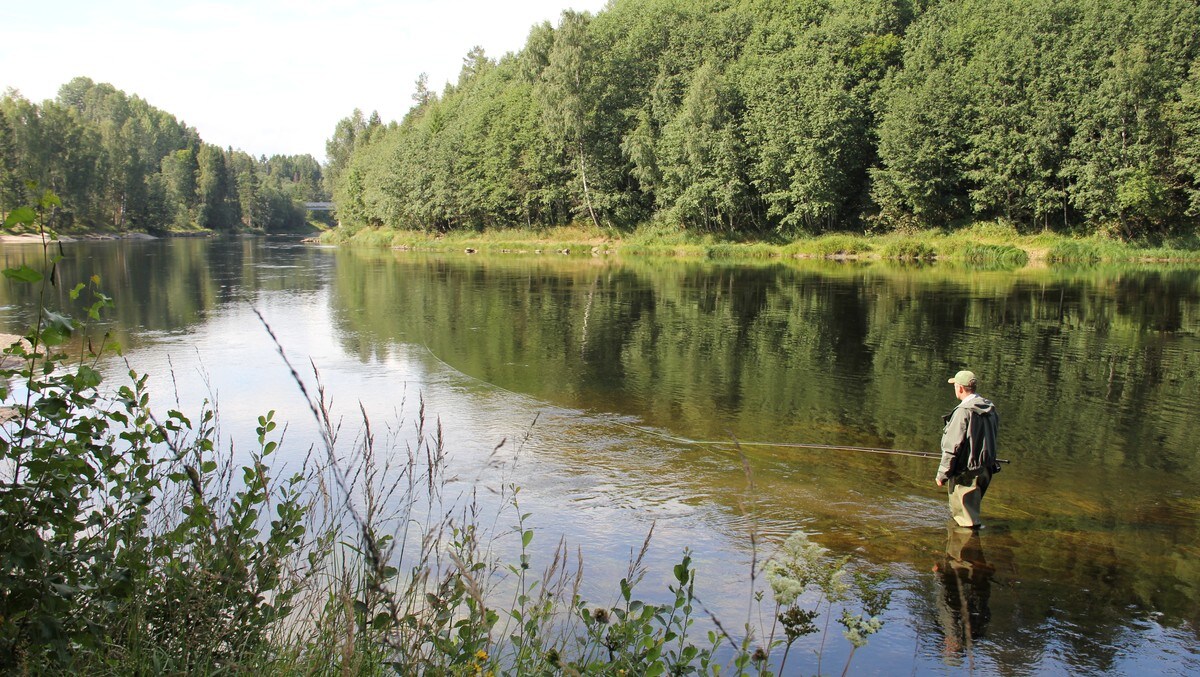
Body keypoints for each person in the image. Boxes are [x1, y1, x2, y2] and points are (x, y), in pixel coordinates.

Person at [935, 370, 1000, 528]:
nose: (955, 389)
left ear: (961, 388)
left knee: (966, 523)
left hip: (967, 473)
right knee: (970, 515)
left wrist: (942, 475)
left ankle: (965, 551)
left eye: (955, 386)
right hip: (986, 469)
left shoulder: (963, 411)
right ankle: (968, 548)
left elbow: (952, 447)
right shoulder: (989, 408)